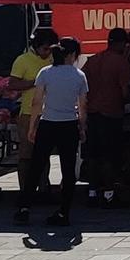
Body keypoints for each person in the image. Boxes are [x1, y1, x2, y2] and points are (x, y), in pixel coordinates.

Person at [17, 37, 86, 226]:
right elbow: (82, 105)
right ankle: (64, 212)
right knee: (68, 169)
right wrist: (82, 126)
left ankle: (24, 207)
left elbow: (37, 102)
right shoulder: (79, 76)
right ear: (73, 54)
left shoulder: (45, 72)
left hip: (48, 123)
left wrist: (33, 126)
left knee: (36, 166)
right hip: (69, 124)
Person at [81, 28, 130, 207]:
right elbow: (125, 91)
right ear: (121, 43)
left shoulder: (93, 60)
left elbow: (82, 85)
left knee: (93, 155)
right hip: (111, 113)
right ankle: (108, 194)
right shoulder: (120, 62)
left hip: (92, 112)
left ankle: (92, 192)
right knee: (110, 156)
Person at [10, 28, 57, 129]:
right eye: (45, 49)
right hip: (29, 113)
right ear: (36, 46)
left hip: (52, 113)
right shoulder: (23, 60)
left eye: (51, 49)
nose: (48, 52)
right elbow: (13, 84)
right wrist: (36, 82)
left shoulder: (55, 60)